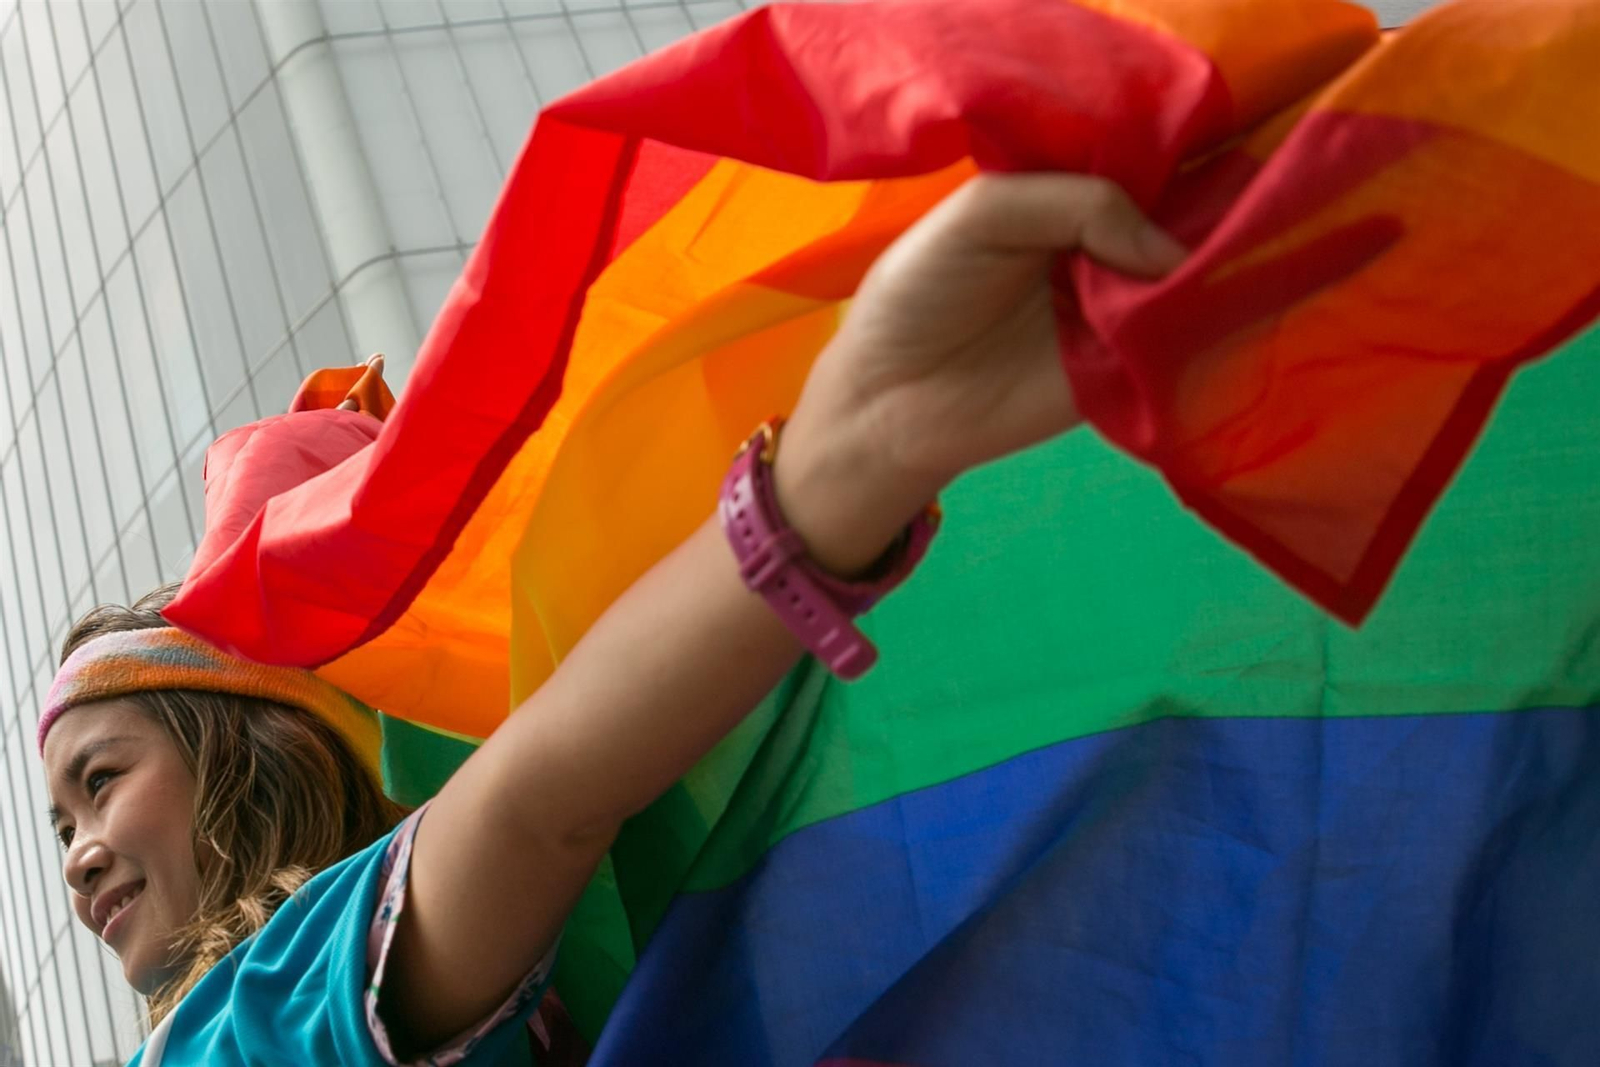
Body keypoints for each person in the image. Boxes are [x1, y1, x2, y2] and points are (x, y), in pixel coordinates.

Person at [40, 172, 1186, 1066]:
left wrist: (856, 458)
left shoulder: (261, 1023)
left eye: (100, 779)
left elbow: (545, 795)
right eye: (57, 824)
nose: (80, 858)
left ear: (248, 758)